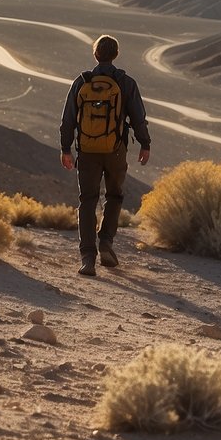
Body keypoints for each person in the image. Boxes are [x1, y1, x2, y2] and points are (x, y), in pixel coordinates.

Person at [59, 34, 151, 276]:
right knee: (115, 196)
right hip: (115, 150)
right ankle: (106, 242)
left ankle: (87, 258)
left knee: (87, 200)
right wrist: (145, 143)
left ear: (95, 54)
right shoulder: (125, 82)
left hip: (87, 150)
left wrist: (65, 148)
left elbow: (68, 119)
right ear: (116, 54)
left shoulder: (82, 82)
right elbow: (138, 118)